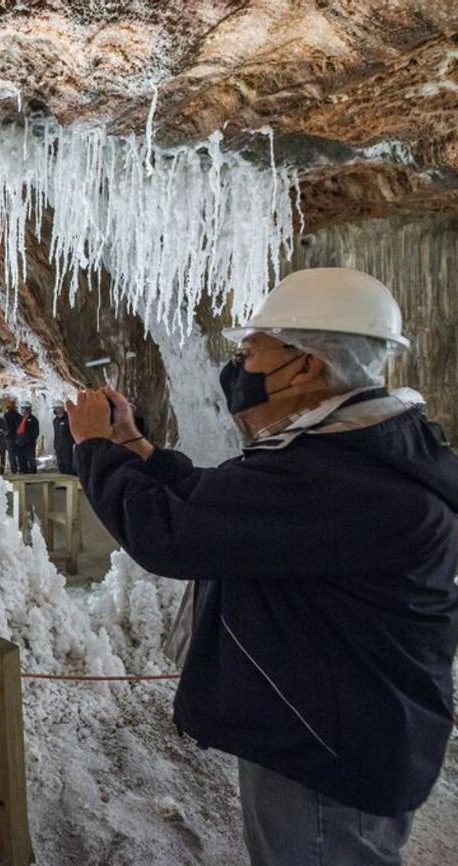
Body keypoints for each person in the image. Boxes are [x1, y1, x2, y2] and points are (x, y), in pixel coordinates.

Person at [65, 267, 458, 866]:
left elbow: (169, 536)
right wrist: (137, 449)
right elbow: (224, 501)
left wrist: (93, 448)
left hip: (327, 751)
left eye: (252, 352)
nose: (240, 368)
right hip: (349, 727)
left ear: (305, 365)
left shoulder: (336, 476)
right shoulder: (358, 449)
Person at [11, 398, 39, 473]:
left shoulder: (33, 419)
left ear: (29, 409)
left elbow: (35, 432)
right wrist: (16, 441)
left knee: (31, 460)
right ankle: (24, 476)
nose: (24, 410)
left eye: (26, 409)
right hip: (19, 445)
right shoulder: (18, 419)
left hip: (29, 444)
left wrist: (29, 440)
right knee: (21, 461)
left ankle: (33, 476)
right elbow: (16, 431)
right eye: (23, 408)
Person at [52, 405, 75, 474]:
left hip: (67, 445)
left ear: (61, 408)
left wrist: (73, 442)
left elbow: (73, 431)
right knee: (60, 463)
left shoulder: (68, 419)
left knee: (68, 463)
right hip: (58, 445)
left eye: (57, 408)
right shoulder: (55, 420)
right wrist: (55, 444)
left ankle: (70, 479)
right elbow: (56, 433)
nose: (56, 410)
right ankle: (62, 479)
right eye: (55, 408)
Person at [3, 397, 22, 472]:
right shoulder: (18, 416)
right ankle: (21, 468)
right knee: (19, 453)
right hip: (18, 437)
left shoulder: (6, 416)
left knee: (11, 455)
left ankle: (14, 469)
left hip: (9, 438)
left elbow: (4, 426)